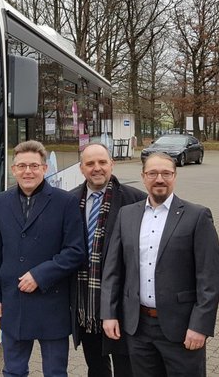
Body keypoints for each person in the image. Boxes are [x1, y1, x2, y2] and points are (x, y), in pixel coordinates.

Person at [101, 153, 219, 377]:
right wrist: (109, 314)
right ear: (143, 176)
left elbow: (209, 278)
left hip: (181, 328)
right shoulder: (127, 215)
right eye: (153, 173)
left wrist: (200, 326)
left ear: (175, 176)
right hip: (138, 328)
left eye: (166, 173)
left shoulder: (196, 216)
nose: (159, 179)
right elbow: (113, 270)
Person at [0, 140, 86, 377]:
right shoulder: (2, 201)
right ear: (13, 170)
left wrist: (40, 275)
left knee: (54, 372)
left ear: (44, 168)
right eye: (21, 166)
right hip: (13, 303)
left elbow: (76, 251)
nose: (28, 171)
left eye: (34, 166)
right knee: (13, 371)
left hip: (51, 304)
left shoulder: (66, 202)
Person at [71, 143, 146, 377]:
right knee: (96, 367)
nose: (97, 168)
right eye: (90, 163)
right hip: (87, 303)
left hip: (122, 303)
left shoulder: (135, 200)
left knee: (126, 367)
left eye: (102, 162)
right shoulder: (69, 201)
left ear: (112, 165)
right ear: (81, 168)